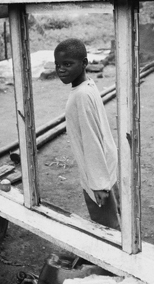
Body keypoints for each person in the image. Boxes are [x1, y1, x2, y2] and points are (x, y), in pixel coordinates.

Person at [54, 38, 120, 230]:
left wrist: (98, 184)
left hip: (98, 175)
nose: (61, 70)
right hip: (105, 165)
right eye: (58, 65)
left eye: (68, 64)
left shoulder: (81, 95)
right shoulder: (87, 86)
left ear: (84, 63)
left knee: (108, 227)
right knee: (114, 219)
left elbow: (91, 139)